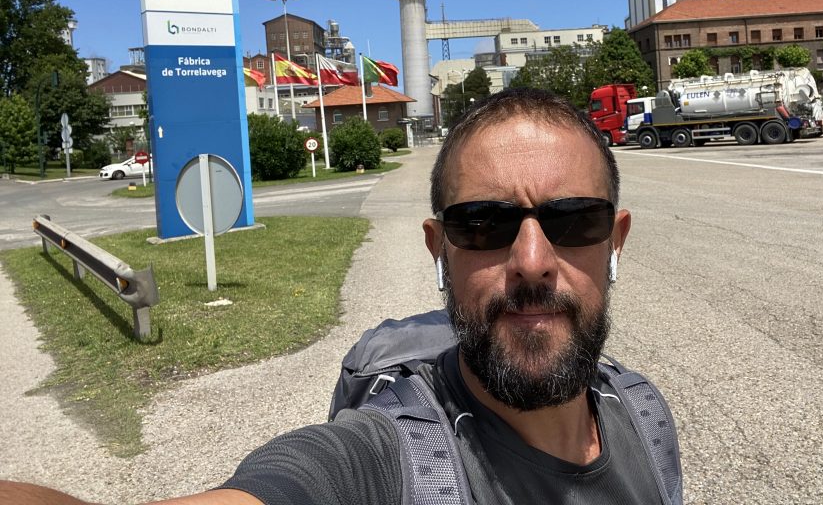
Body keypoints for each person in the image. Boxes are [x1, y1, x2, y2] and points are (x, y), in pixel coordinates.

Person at [1, 88, 681, 505]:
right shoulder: (387, 461)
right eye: (482, 224)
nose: (532, 262)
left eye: (573, 220)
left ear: (614, 241)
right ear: (438, 249)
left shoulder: (645, 416)